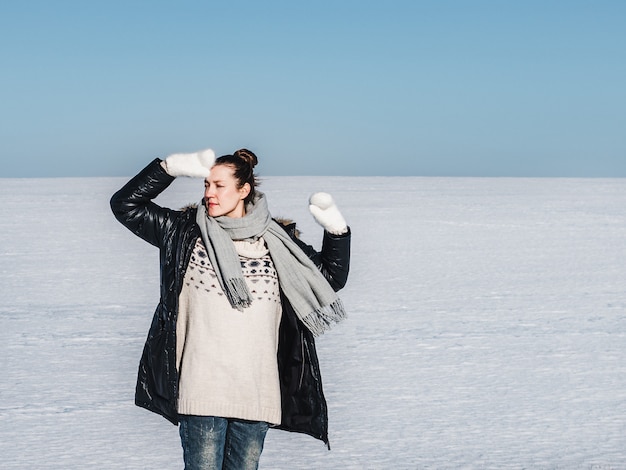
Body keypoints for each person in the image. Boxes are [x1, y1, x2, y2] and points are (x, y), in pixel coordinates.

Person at [110, 148, 350, 469]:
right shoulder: (184, 232)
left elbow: (330, 277)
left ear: (244, 190)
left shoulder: (278, 241)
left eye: (219, 186)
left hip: (257, 389)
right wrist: (170, 168)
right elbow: (126, 205)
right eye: (206, 185)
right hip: (202, 386)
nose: (209, 193)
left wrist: (336, 228)